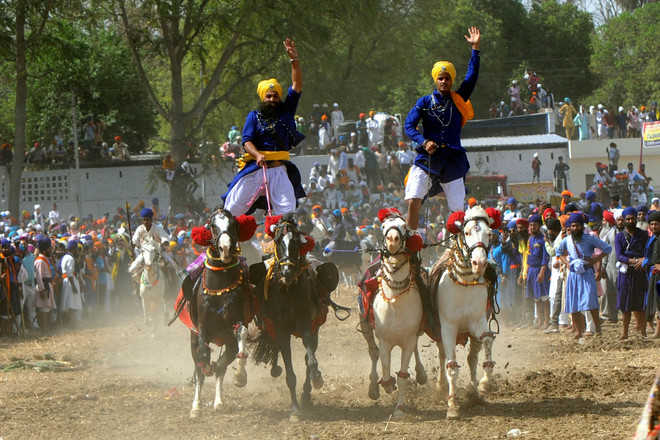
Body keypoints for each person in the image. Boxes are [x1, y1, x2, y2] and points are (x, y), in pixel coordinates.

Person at [403, 26, 481, 231]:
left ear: (451, 80)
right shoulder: (424, 102)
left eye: (447, 78)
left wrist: (475, 49)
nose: (444, 81)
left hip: (453, 161)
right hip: (427, 158)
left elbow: (472, 77)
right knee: (413, 199)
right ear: (435, 80)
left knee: (457, 214)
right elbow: (408, 126)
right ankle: (411, 242)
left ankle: (458, 250)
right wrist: (423, 141)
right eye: (441, 78)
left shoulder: (458, 99)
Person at [222, 38, 305, 216]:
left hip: (279, 170)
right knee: (231, 208)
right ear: (263, 98)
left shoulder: (287, 111)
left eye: (275, 96)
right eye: (269, 96)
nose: (273, 99)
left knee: (287, 214)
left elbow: (297, 85)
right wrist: (258, 154)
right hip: (255, 169)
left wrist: (294, 60)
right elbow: (246, 142)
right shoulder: (253, 116)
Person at [555, 213, 612, 340]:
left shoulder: (590, 238)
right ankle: (579, 331)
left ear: (582, 226)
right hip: (573, 275)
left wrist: (594, 260)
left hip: (587, 273)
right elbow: (559, 253)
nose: (575, 228)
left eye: (578, 226)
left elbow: (607, 248)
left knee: (590, 302)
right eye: (573, 226)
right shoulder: (566, 240)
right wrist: (568, 264)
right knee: (573, 303)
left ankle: (598, 329)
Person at [615, 207, 649, 339]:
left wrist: (643, 260)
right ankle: (625, 333)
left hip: (640, 273)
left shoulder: (643, 234)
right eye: (627, 219)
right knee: (626, 305)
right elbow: (619, 256)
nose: (630, 221)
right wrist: (633, 260)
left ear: (636, 219)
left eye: (632, 218)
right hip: (626, 274)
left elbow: (647, 252)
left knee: (640, 304)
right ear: (623, 220)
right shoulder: (619, 236)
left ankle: (643, 331)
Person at [128, 208, 169, 280]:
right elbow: (134, 240)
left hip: (158, 253)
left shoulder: (157, 228)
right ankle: (135, 287)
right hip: (144, 254)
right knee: (131, 269)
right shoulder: (139, 229)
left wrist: (164, 242)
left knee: (171, 264)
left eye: (147, 220)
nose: (146, 222)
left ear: (151, 219)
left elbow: (164, 237)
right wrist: (133, 244)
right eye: (144, 220)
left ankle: (171, 282)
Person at [526, 214, 550, 328]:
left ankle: (546, 321)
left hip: (540, 270)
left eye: (534, 225)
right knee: (536, 297)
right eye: (530, 225)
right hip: (531, 269)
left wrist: (542, 271)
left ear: (539, 226)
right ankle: (540, 320)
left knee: (544, 297)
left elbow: (545, 257)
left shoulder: (542, 239)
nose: (532, 227)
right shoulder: (530, 239)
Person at [643, 210, 660, 338]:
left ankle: (658, 332)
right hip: (653, 274)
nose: (654, 226)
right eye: (652, 224)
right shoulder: (653, 238)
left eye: (656, 224)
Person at [34, 236, 56, 333]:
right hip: (43, 288)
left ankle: (47, 328)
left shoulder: (46, 259)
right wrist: (42, 290)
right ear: (45, 249)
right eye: (49, 248)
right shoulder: (40, 261)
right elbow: (39, 277)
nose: (51, 250)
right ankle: (44, 329)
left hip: (47, 286)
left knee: (47, 308)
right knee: (44, 309)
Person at [60, 240, 83, 326]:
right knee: (71, 303)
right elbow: (69, 273)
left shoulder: (65, 257)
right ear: (73, 249)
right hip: (71, 281)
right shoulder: (70, 258)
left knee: (68, 302)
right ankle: (71, 324)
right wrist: (73, 286)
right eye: (76, 248)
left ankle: (68, 323)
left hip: (66, 280)